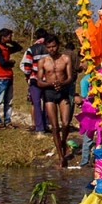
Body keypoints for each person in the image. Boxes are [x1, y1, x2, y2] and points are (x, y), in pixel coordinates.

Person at [37, 34, 73, 167]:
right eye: (49, 47)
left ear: (58, 46)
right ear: (46, 47)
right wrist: (51, 84)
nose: (52, 49)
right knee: (55, 126)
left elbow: (70, 78)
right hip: (49, 94)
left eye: (54, 46)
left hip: (63, 92)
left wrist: (62, 83)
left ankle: (63, 143)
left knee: (65, 123)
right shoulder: (43, 61)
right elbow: (39, 82)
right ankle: (60, 156)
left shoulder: (65, 58)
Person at [0, 28, 22, 128]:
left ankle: (7, 120)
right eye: (9, 36)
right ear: (3, 37)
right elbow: (2, 62)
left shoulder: (6, 48)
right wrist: (11, 62)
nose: (10, 38)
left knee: (8, 100)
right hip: (1, 76)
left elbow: (18, 47)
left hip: (9, 76)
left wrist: (11, 41)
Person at [20, 27, 48, 134]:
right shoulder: (49, 48)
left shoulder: (31, 49)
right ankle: (47, 123)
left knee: (36, 103)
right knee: (47, 102)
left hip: (34, 80)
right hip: (47, 80)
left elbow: (26, 67)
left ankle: (39, 127)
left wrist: (28, 75)